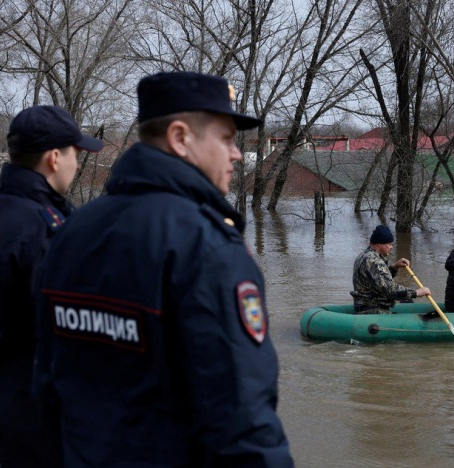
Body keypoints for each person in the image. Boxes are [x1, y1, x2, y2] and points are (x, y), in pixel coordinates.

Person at [33, 72, 293, 466]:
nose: (236, 154)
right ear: (180, 137)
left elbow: (46, 385)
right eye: (226, 138)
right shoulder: (206, 247)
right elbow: (242, 420)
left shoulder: (71, 231)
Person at [0, 105, 103, 467]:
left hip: (5, 421)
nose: (77, 163)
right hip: (51, 435)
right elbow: (74, 342)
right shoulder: (46, 230)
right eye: (75, 153)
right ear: (55, 158)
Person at [350, 224, 430, 314]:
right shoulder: (374, 261)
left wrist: (394, 267)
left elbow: (377, 280)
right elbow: (390, 291)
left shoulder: (363, 255)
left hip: (363, 305)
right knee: (408, 300)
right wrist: (416, 293)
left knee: (407, 302)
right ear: (379, 244)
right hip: (373, 309)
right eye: (389, 244)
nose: (391, 247)